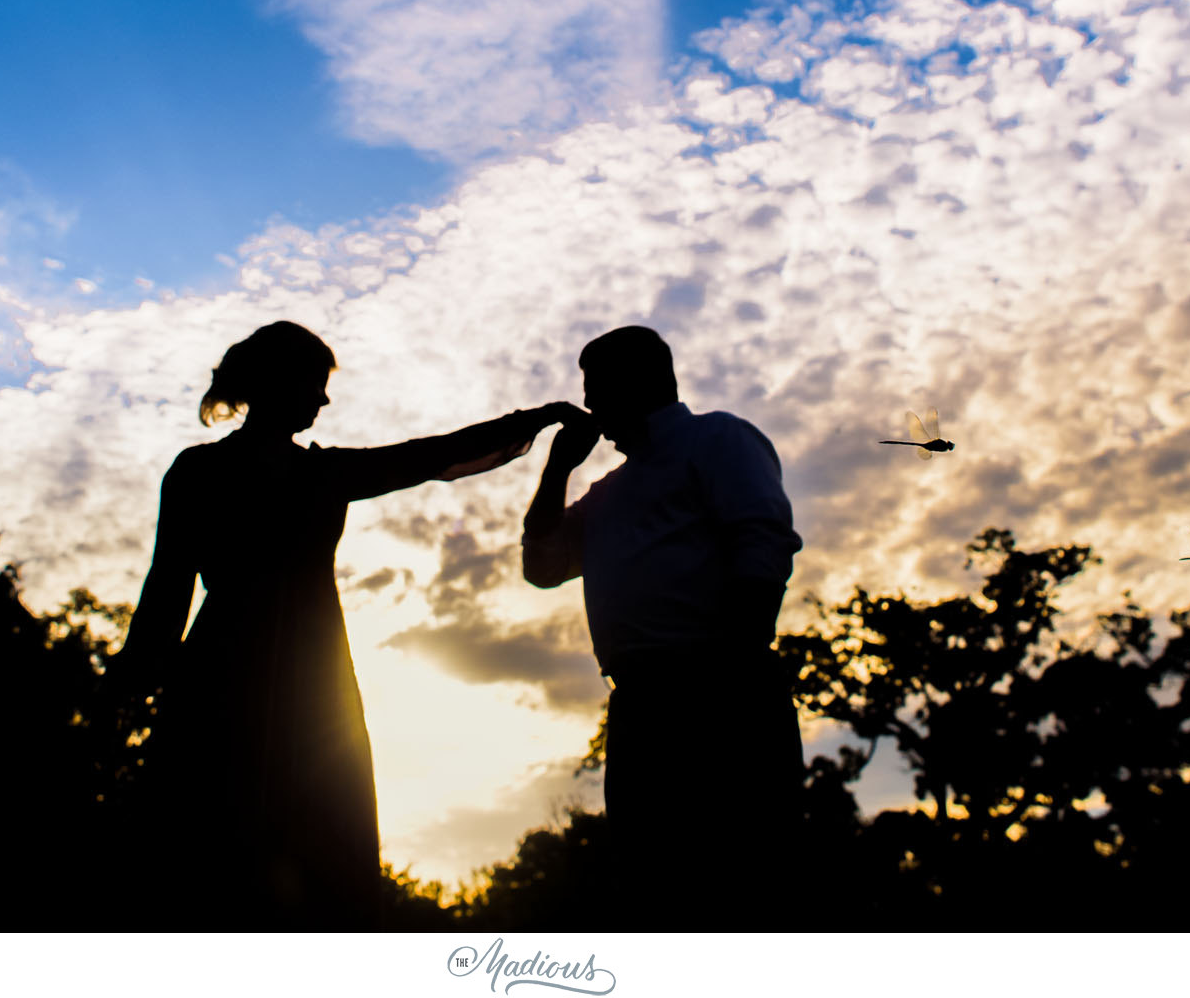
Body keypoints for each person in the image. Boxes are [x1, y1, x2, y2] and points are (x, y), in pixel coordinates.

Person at [112, 320, 580, 930]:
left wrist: (529, 421)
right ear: (279, 382)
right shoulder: (219, 473)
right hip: (235, 682)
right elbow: (166, 590)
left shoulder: (309, 472)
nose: (324, 400)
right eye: (316, 383)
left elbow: (430, 455)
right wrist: (125, 689)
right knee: (226, 846)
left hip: (297, 682)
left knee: (309, 843)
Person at [520, 326, 804, 928]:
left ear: (639, 383)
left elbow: (762, 538)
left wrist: (738, 662)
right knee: (655, 891)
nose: (591, 408)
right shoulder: (605, 495)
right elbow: (541, 567)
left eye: (597, 391)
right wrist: (557, 470)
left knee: (750, 882)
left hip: (723, 687)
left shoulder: (718, 438)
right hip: (641, 706)